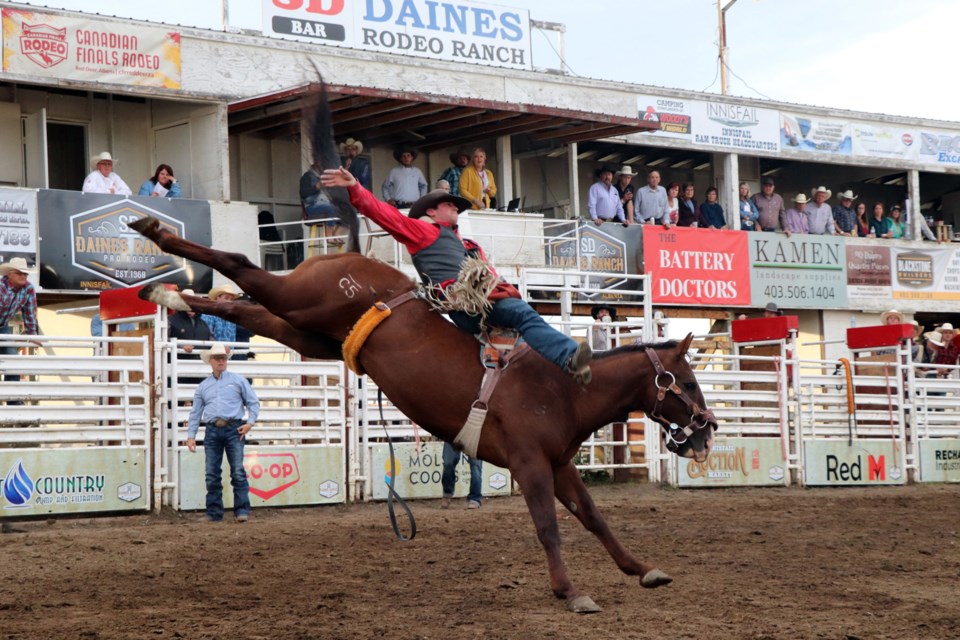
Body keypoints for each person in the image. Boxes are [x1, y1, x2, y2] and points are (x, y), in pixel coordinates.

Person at [321, 168, 594, 384]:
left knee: (520, 338)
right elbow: (387, 215)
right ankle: (569, 357)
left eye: (455, 206)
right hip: (465, 305)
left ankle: (560, 372)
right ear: (431, 212)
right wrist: (355, 187)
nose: (455, 208)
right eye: (449, 205)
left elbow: (490, 277)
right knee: (523, 315)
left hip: (485, 305)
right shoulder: (424, 231)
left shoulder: (472, 247)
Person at [186, 343, 259, 523]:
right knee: (212, 473)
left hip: (234, 428)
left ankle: (240, 510)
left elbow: (253, 403)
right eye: (217, 358)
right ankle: (215, 512)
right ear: (210, 361)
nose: (221, 361)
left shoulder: (238, 380)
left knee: (237, 471)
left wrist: (249, 423)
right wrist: (190, 436)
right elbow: (195, 413)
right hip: (212, 430)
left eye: (223, 358)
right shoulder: (203, 386)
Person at [0, 257, 40, 389]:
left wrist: (32, 334)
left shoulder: (28, 288)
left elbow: (29, 312)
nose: (23, 276)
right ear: (9, 274)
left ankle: (13, 399)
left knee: (13, 361)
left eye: (25, 273)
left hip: (3, 326)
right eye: (19, 273)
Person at [168, 290, 212, 387]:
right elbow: (165, 340)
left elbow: (211, 341)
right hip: (177, 368)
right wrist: (180, 346)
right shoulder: (170, 320)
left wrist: (220, 347)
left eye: (192, 304)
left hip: (199, 368)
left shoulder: (203, 323)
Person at [300, 160, 342, 253]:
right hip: (312, 206)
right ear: (316, 166)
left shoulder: (324, 177)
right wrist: (317, 187)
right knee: (331, 208)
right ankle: (329, 236)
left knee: (347, 210)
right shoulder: (307, 177)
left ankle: (337, 234)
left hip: (325, 204)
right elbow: (303, 194)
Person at [441, 442, 483, 509]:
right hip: (453, 434)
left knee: (476, 466)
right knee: (448, 463)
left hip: (473, 434)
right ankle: (447, 493)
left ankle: (475, 498)